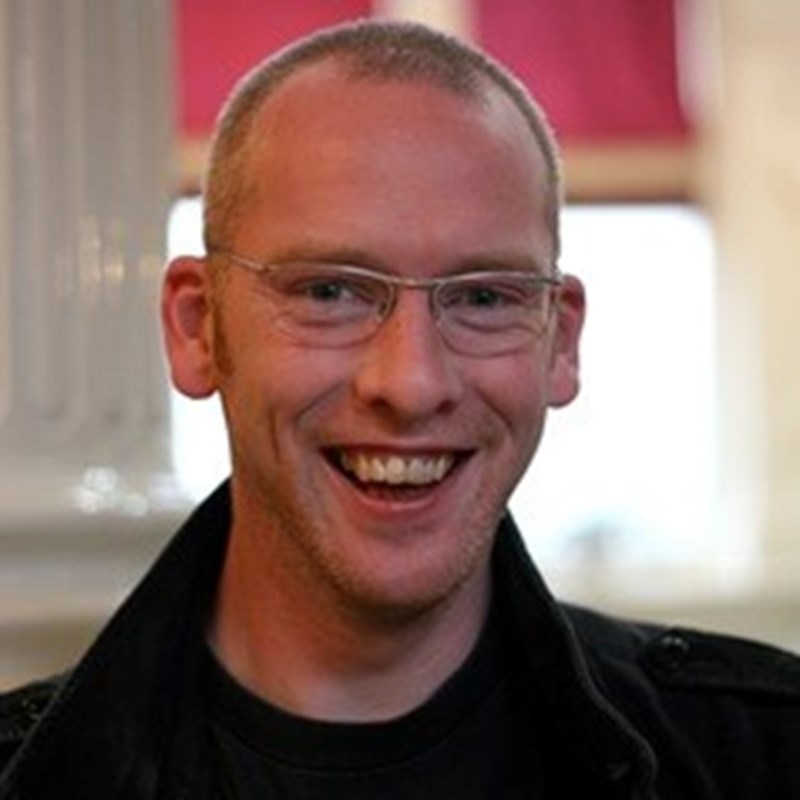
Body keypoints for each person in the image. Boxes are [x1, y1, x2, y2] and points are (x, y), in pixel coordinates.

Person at [1, 18, 798, 799]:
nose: (412, 384)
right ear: (197, 326)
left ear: (560, 341)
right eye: (329, 291)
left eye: (483, 298)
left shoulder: (764, 756)